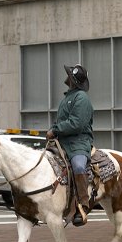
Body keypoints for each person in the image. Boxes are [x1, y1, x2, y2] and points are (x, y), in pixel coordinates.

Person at [46, 64, 93, 227]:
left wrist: (55, 130)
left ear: (73, 81)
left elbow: (76, 124)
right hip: (62, 142)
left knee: (78, 166)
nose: (66, 77)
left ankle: (82, 206)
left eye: (69, 75)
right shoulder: (68, 97)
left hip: (78, 142)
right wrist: (54, 128)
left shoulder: (82, 98)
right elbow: (61, 120)